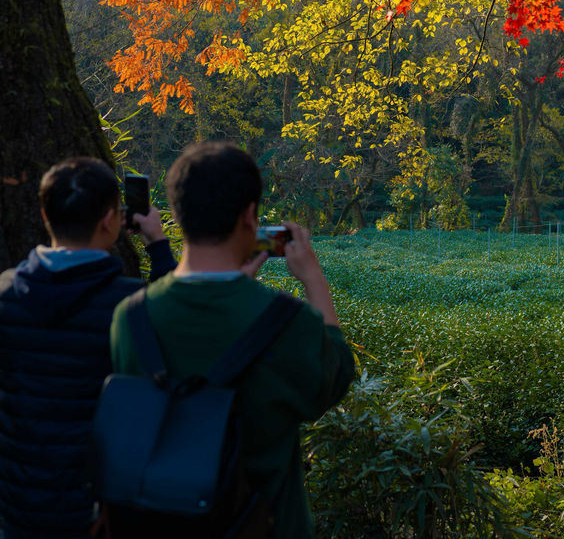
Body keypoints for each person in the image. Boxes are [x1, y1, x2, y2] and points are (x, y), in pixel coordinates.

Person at [110, 141, 355, 539]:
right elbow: (336, 374)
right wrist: (313, 277)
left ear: (176, 214)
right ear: (249, 216)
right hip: (267, 525)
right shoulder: (287, 321)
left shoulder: (131, 316)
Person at [0, 156, 176, 539]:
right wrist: (158, 245)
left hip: (18, 503)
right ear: (109, 220)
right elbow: (176, 328)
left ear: (45, 214)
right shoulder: (132, 303)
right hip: (100, 509)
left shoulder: (5, 294)